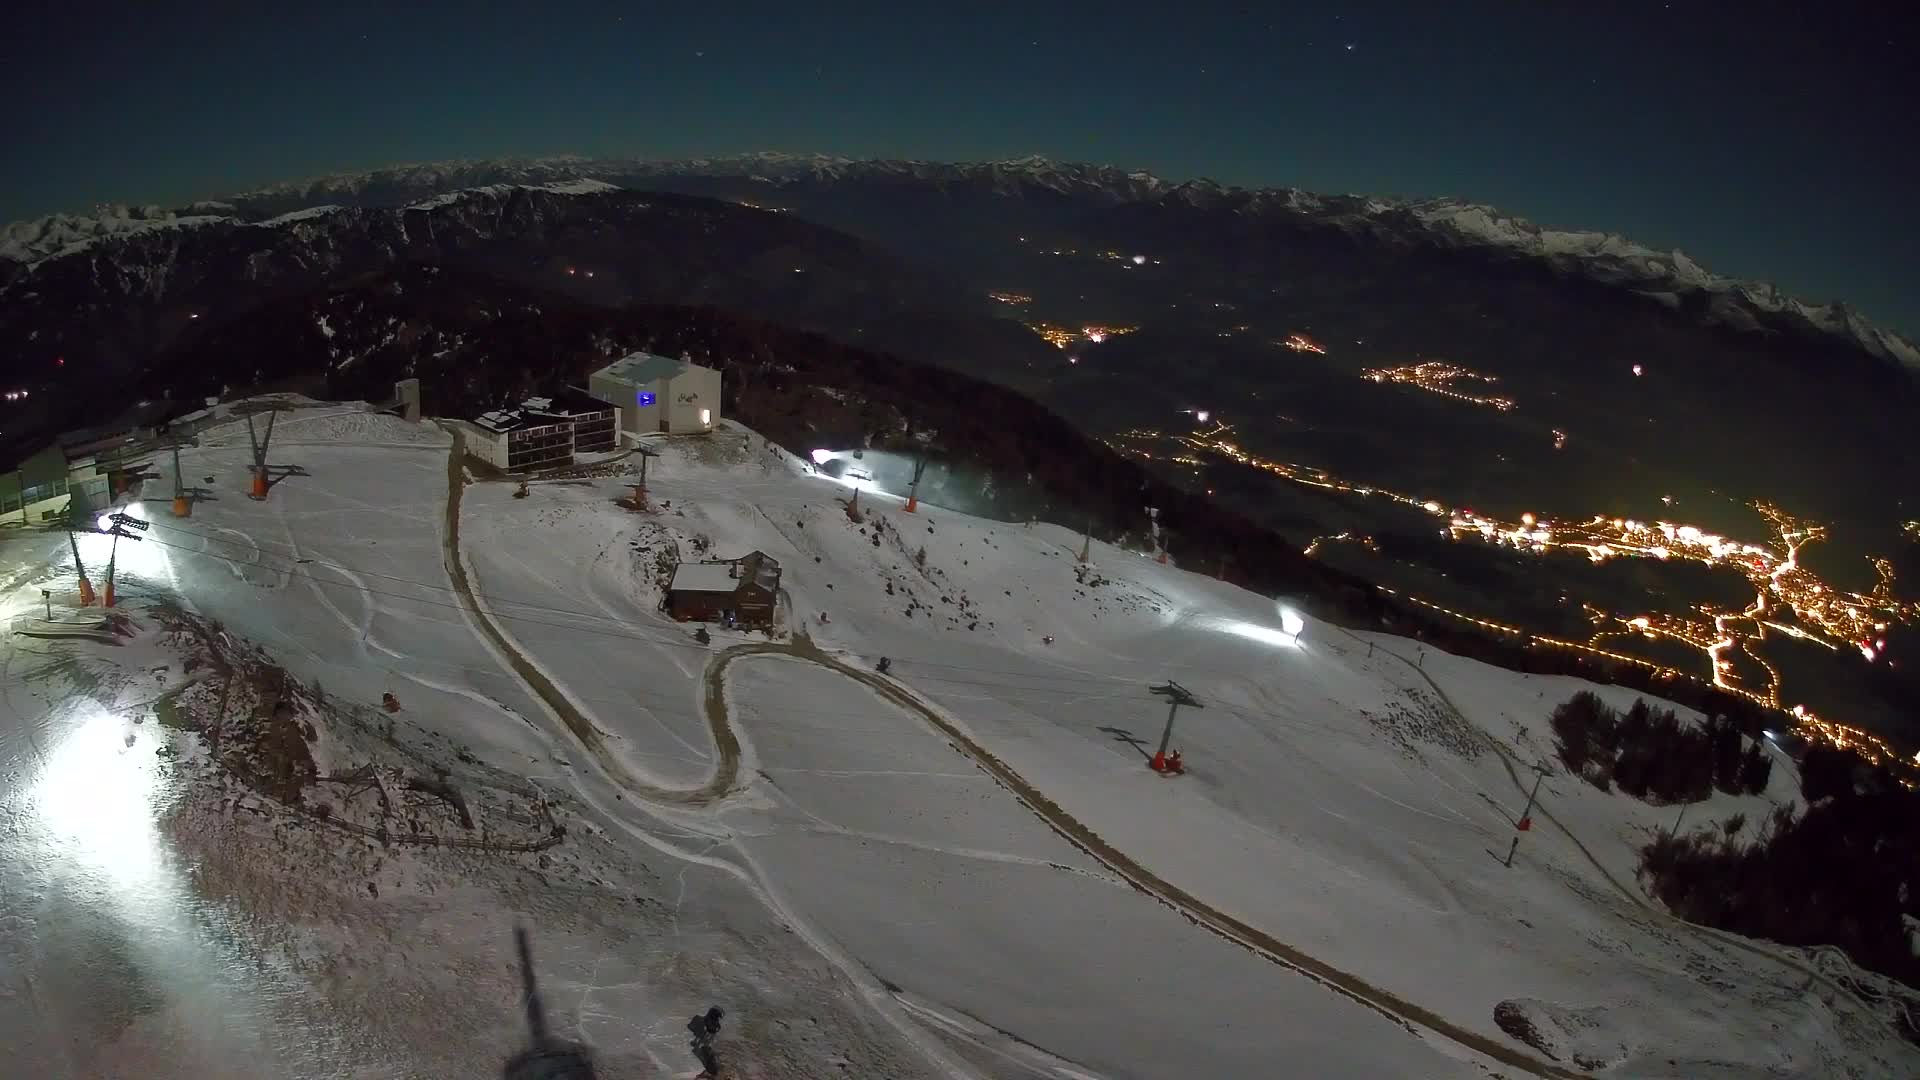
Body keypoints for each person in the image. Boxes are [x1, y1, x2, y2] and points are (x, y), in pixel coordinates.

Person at [687, 1006, 724, 1078]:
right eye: (718, 1017)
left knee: (714, 1067)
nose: (718, 1019)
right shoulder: (715, 1027)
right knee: (715, 1069)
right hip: (702, 1048)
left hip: (701, 1048)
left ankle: (707, 1073)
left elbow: (691, 1029)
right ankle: (708, 1073)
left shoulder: (698, 1019)